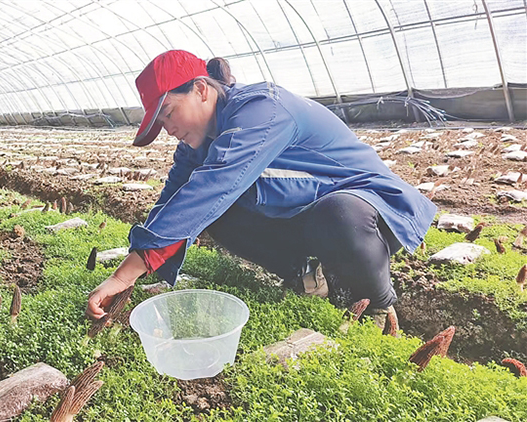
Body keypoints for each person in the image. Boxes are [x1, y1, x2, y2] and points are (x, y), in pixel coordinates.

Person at [86, 50, 436, 328]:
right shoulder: (195, 145)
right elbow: (175, 201)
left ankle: (377, 305)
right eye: (159, 122)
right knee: (218, 214)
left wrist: (125, 273)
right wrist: (133, 264)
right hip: (305, 213)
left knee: (337, 213)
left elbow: (215, 185)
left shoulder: (262, 110)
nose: (167, 129)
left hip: (369, 211)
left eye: (168, 113)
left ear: (201, 90)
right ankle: (306, 277)